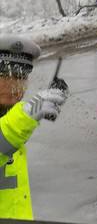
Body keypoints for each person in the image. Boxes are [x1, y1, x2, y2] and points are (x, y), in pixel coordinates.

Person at [0, 35, 68, 220]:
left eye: (21, 76)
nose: (14, 84)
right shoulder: (16, 120)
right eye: (4, 74)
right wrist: (29, 113)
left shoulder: (9, 116)